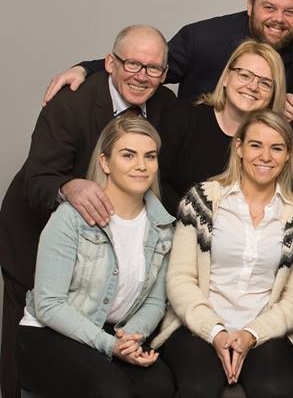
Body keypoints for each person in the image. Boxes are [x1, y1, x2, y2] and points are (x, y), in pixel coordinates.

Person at [0, 25, 175, 398]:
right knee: (25, 350)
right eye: (132, 65)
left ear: (164, 73)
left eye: (153, 69)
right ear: (110, 63)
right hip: (37, 227)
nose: (142, 76)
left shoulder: (164, 104)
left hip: (107, 241)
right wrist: (68, 186)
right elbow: (37, 179)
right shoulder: (72, 103)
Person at [149, 110, 293, 398]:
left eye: (276, 148)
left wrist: (251, 334)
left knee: (273, 390)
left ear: (287, 156)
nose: (265, 156)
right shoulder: (202, 199)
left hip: (265, 330)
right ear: (239, 148)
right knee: (199, 387)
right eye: (256, 145)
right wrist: (215, 331)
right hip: (197, 326)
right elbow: (180, 279)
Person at [17, 117, 175, 398]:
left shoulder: (163, 226)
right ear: (105, 162)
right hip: (48, 332)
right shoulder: (71, 218)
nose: (141, 165)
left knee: (159, 386)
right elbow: (49, 304)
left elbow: (154, 302)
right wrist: (109, 345)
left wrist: (130, 338)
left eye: (150, 156)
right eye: (128, 155)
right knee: (111, 390)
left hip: (113, 332)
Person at [42, 0, 293, 104]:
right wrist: (85, 68)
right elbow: (146, 69)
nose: (279, 20)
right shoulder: (202, 40)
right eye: (269, 8)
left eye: (290, 11)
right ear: (249, 4)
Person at [157, 39, 287, 213]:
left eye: (265, 83)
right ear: (226, 77)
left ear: (273, 94)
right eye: (245, 75)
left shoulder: (277, 141)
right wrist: (195, 218)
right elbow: (156, 181)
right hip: (177, 222)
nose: (253, 86)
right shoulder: (181, 116)